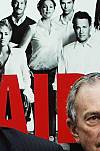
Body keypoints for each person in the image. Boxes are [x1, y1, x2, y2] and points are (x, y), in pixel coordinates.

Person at [19, 0, 62, 138]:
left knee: (53, 109)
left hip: (54, 73)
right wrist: (26, 70)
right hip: (38, 73)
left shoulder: (59, 28)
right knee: (40, 111)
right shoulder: (33, 28)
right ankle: (41, 146)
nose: (48, 9)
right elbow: (20, 51)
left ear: (55, 8)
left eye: (50, 7)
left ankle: (52, 143)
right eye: (44, 7)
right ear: (40, 9)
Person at [0, 21, 33, 122]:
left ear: (10, 35)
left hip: (16, 93)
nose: (3, 37)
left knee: (16, 128)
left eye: (6, 34)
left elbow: (25, 74)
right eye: (0, 33)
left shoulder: (19, 53)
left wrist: (27, 93)